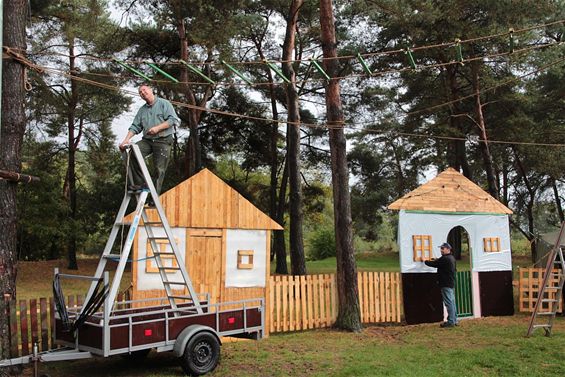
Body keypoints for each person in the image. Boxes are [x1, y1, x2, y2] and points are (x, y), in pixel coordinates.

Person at [119, 84, 179, 197]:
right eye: (140, 92)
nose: (142, 93)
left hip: (163, 140)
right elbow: (135, 126)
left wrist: (157, 128)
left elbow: (172, 120)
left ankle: (153, 196)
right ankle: (141, 184)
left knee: (159, 168)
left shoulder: (164, 104)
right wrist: (125, 140)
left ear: (151, 90)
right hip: (148, 140)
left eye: (144, 90)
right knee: (133, 153)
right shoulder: (142, 110)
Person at [425, 242, 458, 328]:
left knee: (449, 302)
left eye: (443, 248)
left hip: (445, 283)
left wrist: (425, 261)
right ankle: (454, 320)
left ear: (448, 249)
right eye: (441, 248)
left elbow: (434, 264)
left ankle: (451, 322)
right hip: (450, 283)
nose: (441, 250)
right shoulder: (451, 258)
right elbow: (438, 261)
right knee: (452, 302)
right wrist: (435, 259)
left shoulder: (445, 259)